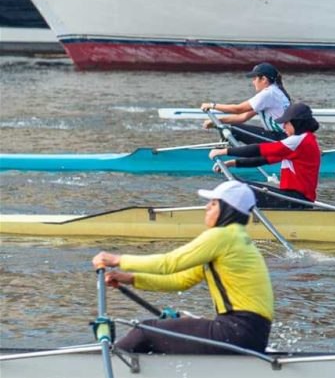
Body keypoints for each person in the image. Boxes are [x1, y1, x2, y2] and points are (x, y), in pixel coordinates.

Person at [91, 180, 273, 354]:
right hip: (251, 334)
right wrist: (131, 279)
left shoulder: (223, 236)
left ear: (228, 210)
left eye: (213, 203)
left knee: (145, 331)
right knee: (156, 333)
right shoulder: (236, 239)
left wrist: (117, 259)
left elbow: (169, 263)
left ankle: (103, 366)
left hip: (236, 331)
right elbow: (180, 280)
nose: (206, 207)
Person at [209, 102, 321, 209]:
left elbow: (258, 149)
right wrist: (232, 163)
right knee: (234, 184)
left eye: (286, 122)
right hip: (294, 198)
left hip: (297, 201)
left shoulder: (298, 140)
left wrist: (224, 151)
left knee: (236, 188)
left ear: (297, 123)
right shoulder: (304, 140)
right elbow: (264, 159)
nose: (283, 126)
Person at [201, 62, 291, 144]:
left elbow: (238, 109)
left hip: (280, 139)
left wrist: (212, 105)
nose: (253, 82)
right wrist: (217, 122)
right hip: (280, 137)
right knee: (234, 128)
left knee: (234, 129)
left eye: (255, 78)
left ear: (263, 79)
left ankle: (224, 151)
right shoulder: (276, 92)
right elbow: (242, 117)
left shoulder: (268, 93)